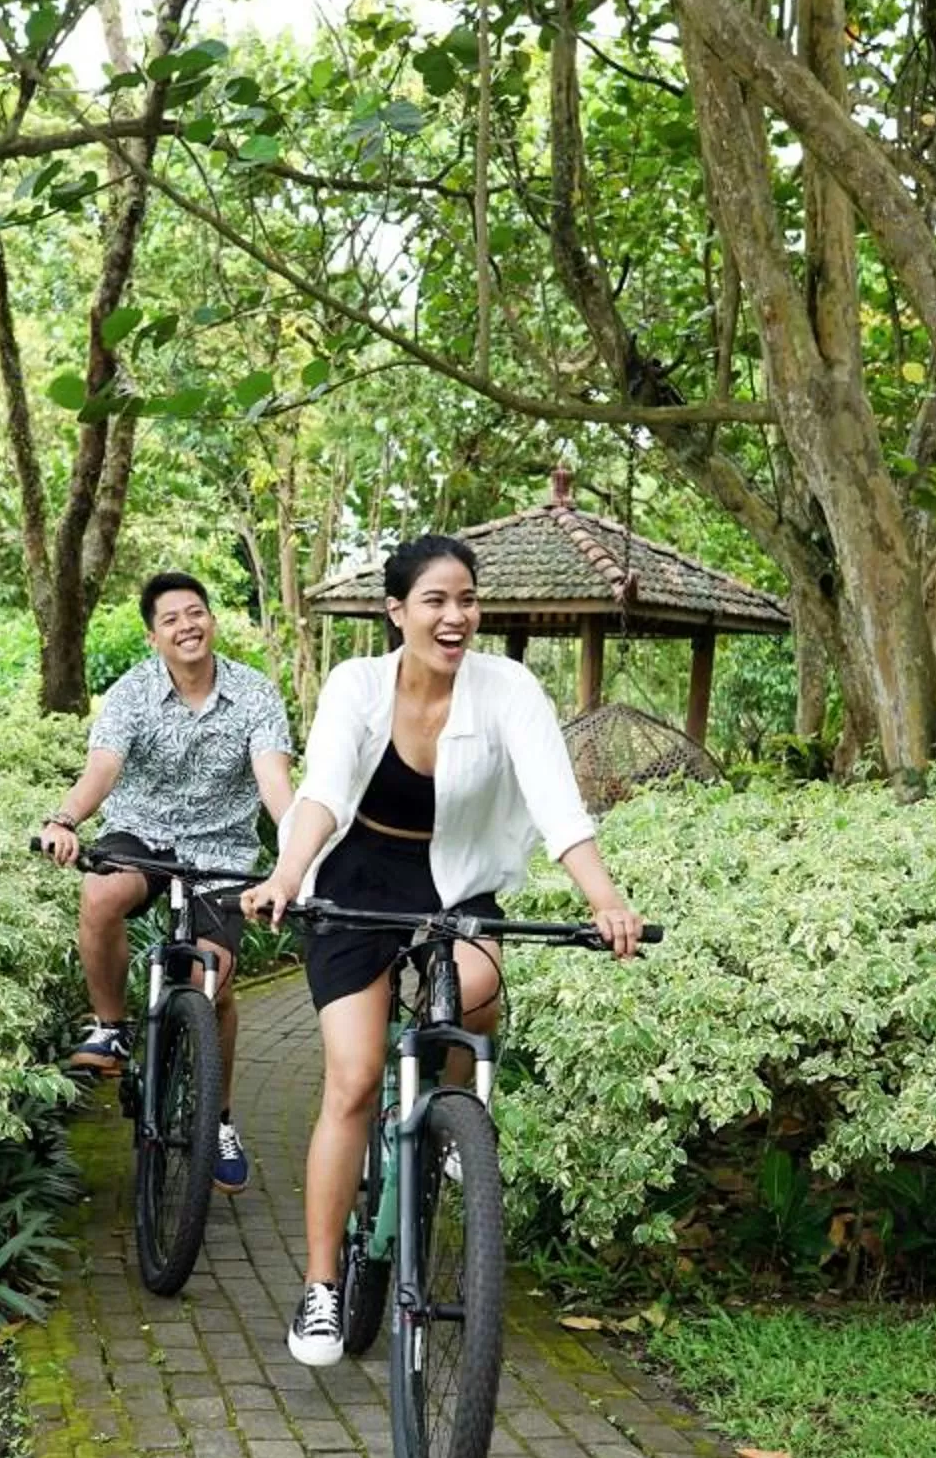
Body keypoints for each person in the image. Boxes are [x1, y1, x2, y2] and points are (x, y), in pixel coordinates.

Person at [240, 535, 644, 1366]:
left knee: (478, 989)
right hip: (355, 885)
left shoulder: (509, 690)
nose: (455, 616)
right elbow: (319, 794)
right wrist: (286, 875)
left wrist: (604, 899)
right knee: (352, 1080)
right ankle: (321, 1288)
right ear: (398, 612)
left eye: (466, 600)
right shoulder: (358, 686)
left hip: (454, 888)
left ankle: (447, 1125)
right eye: (435, 601)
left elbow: (556, 799)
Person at [35, 571, 295, 1190]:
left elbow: (276, 786)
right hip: (142, 837)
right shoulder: (130, 693)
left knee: (215, 981)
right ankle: (111, 1028)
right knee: (101, 892)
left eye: (196, 612)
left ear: (212, 621)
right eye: (172, 619)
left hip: (221, 853)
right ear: (153, 636)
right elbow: (103, 768)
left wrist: (301, 853)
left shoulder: (256, 694)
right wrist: (65, 819)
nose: (187, 625)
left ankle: (220, 1118)